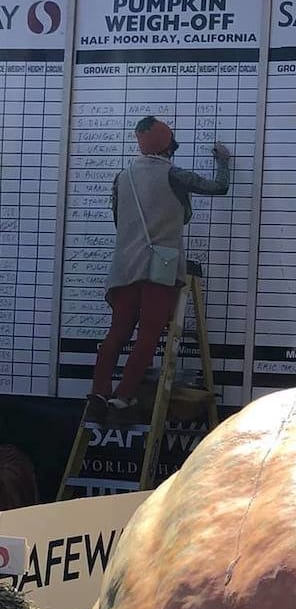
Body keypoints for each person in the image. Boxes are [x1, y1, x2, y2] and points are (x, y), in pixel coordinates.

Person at [88, 116, 232, 417]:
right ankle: (123, 396)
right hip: (159, 269)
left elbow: (119, 221)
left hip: (125, 268)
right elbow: (219, 188)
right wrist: (224, 161)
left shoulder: (122, 177)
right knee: (149, 334)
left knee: (117, 332)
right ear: (169, 146)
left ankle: (99, 393)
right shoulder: (175, 175)